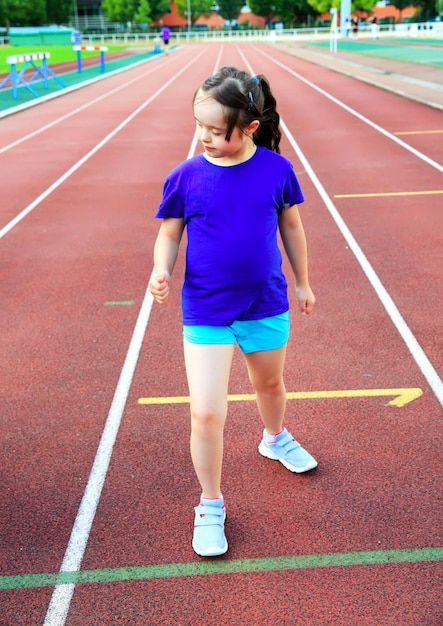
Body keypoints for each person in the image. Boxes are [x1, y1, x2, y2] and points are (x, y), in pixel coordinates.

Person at [149, 67, 317, 558]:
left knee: (269, 386)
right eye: (198, 125)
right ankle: (210, 503)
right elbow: (169, 232)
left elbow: (292, 228)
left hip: (265, 302)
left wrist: (303, 282)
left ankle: (274, 438)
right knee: (206, 412)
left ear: (249, 127)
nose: (202, 136)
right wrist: (161, 269)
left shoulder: (276, 171)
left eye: (215, 129)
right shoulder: (185, 177)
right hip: (205, 308)